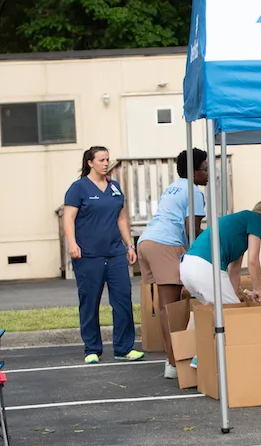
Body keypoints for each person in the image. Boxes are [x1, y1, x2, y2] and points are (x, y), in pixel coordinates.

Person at [62, 146, 143, 364]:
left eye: (108, 159)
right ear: (90, 162)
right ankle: (92, 349)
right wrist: (72, 243)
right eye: (101, 160)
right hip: (88, 255)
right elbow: (68, 218)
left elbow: (122, 218)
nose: (106, 163)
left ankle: (124, 348)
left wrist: (129, 246)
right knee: (89, 302)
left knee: (123, 300)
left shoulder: (114, 187)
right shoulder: (78, 188)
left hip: (116, 253)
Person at [180, 199, 261, 368]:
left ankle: (186, 353)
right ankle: (205, 359)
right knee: (235, 319)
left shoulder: (239, 224)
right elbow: (253, 261)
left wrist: (234, 296)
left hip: (188, 266)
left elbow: (234, 270)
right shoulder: (255, 219)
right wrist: (257, 288)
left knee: (209, 311)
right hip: (206, 268)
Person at [136, 148, 208, 380]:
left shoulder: (174, 186)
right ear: (194, 171)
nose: (208, 174)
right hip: (165, 244)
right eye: (205, 169)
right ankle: (174, 363)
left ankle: (173, 360)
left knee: (167, 307)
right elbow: (192, 230)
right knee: (172, 309)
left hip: (147, 242)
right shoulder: (194, 192)